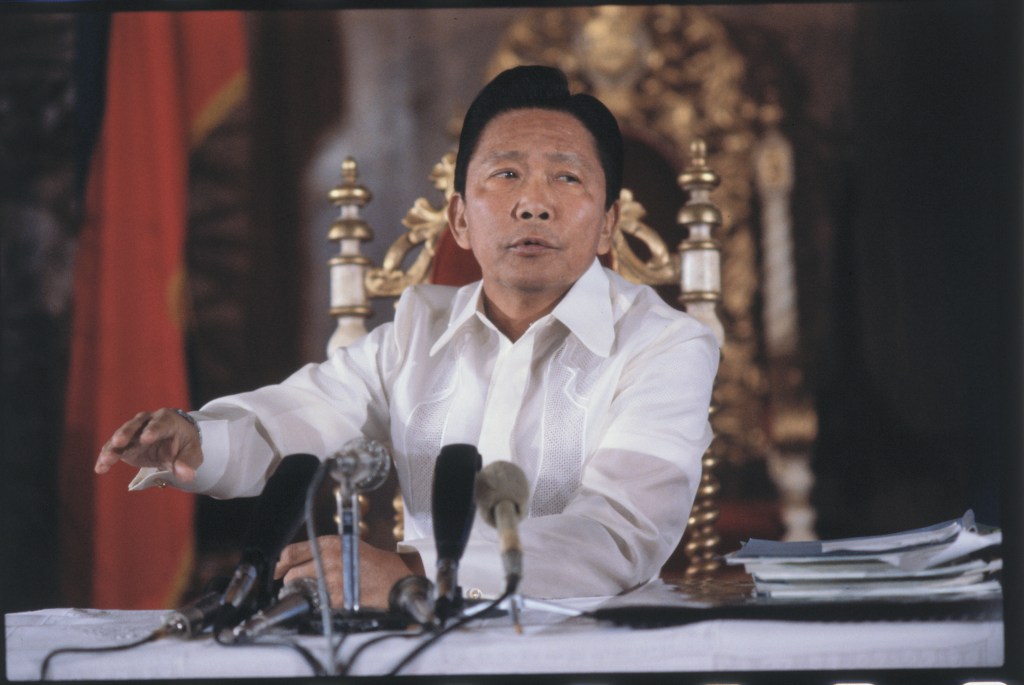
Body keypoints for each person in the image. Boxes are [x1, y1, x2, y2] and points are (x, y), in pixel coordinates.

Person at [95, 65, 719, 608]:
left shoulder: (667, 347)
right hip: (421, 642)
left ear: (609, 224)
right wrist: (193, 438)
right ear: (460, 220)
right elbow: (294, 418)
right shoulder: (415, 334)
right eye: (505, 175)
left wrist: (414, 576)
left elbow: (620, 534)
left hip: (595, 650)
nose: (533, 204)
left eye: (567, 178)